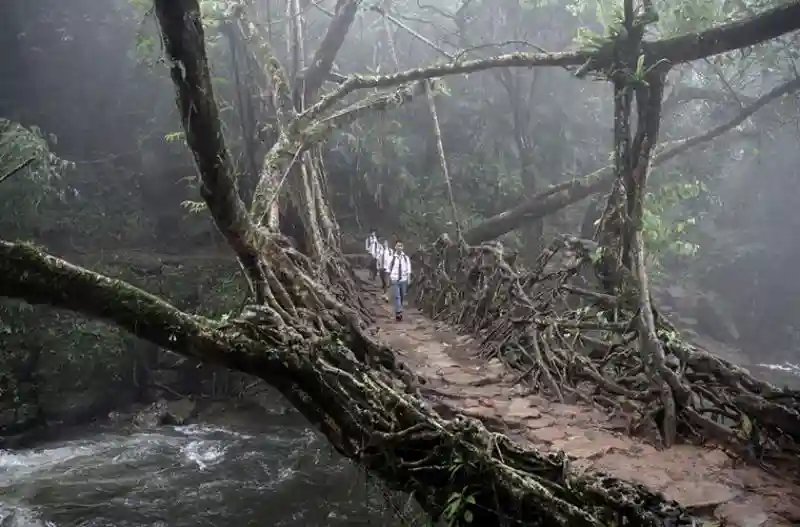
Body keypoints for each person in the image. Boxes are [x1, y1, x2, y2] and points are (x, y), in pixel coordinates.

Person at [385, 240, 411, 321]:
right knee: (397, 296)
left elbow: (408, 270)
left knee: (402, 296)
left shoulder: (406, 258)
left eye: (401, 246)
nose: (399, 247)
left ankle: (398, 310)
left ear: (403, 247)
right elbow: (388, 270)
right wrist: (388, 280)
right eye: (398, 245)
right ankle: (399, 312)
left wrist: (408, 279)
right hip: (394, 279)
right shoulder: (392, 258)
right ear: (395, 247)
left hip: (403, 280)